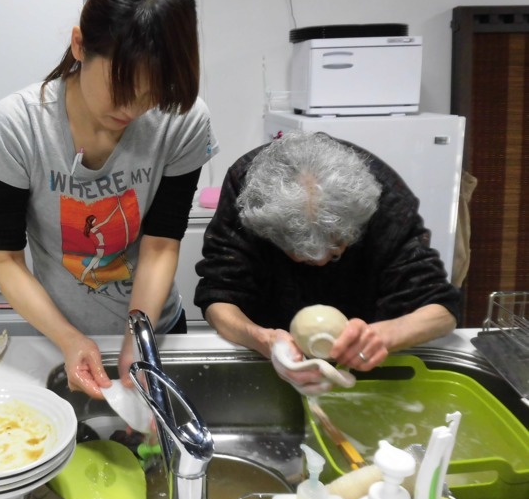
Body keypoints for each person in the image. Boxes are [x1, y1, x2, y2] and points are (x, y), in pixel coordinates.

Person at [0, 0, 218, 398]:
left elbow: (160, 243)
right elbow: (6, 258)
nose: (135, 110)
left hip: (155, 327)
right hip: (61, 331)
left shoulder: (182, 120)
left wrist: (138, 340)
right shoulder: (16, 126)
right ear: (80, 45)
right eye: (122, 89)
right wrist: (68, 338)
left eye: (152, 93)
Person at [194, 130, 460, 394]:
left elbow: (442, 312)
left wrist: (383, 336)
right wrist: (263, 340)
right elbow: (219, 296)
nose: (321, 262)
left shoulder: (382, 200)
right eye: (300, 254)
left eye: (336, 248)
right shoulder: (247, 191)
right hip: (268, 360)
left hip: (364, 364)